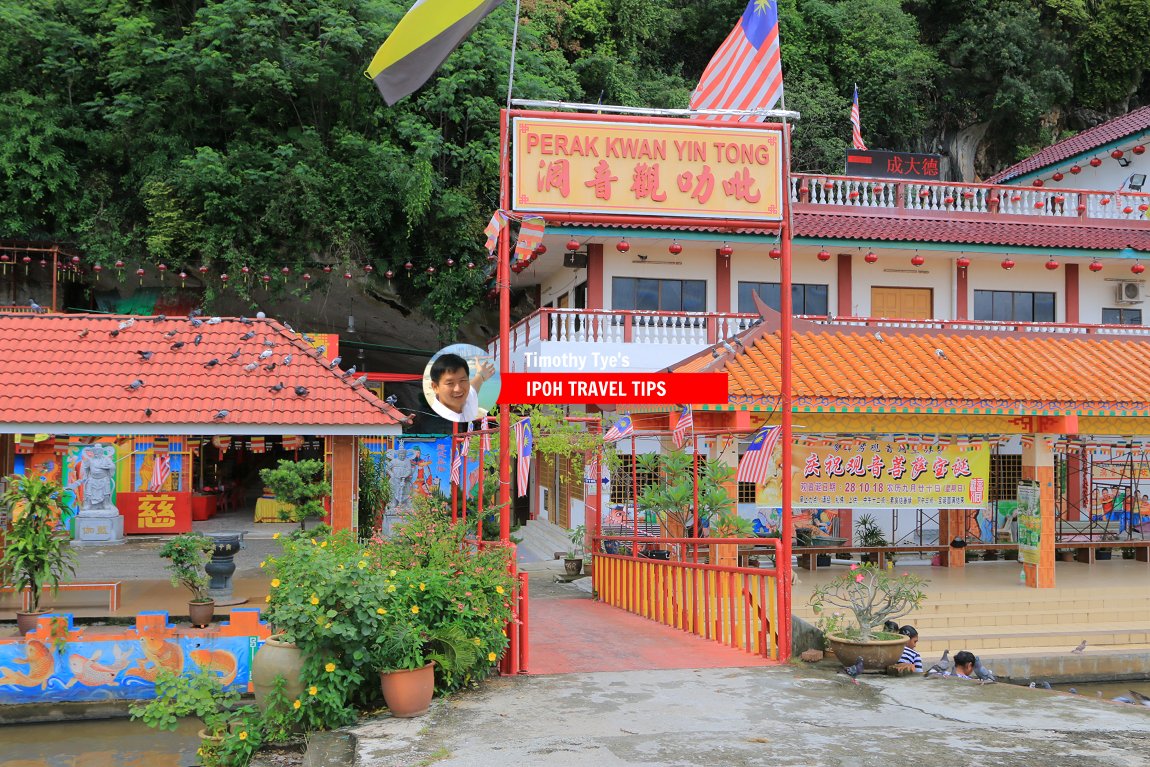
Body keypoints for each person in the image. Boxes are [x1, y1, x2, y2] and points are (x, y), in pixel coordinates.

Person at [427, 353, 494, 423]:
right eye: (450, 383)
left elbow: (474, 385)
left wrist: (481, 375)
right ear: (435, 387)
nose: (458, 389)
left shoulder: (467, 398)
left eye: (462, 380)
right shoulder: (433, 420)